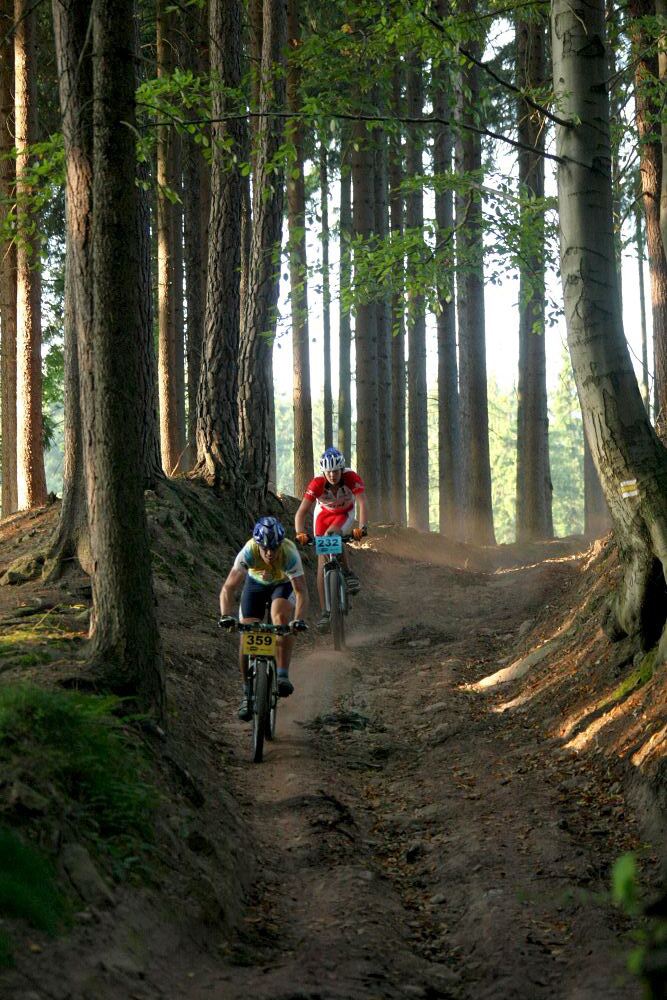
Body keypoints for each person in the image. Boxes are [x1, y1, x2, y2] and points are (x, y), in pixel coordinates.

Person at [219, 516, 309, 721]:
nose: (270, 553)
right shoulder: (249, 551)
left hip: (282, 585)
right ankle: (247, 693)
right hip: (256, 585)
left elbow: (301, 592)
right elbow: (228, 588)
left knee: (281, 617)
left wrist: (298, 620)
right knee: (246, 634)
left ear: (280, 544)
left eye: (274, 548)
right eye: (265, 548)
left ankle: (282, 674)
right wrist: (225, 616)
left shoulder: (289, 553)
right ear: (257, 544)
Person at [294, 446, 368, 633]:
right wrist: (300, 532)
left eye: (335, 471)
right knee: (322, 562)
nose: (332, 475)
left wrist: (362, 527)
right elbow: (301, 512)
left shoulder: (351, 477)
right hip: (323, 515)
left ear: (342, 470)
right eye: (328, 472)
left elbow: (362, 502)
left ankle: (348, 573)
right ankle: (326, 612)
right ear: (323, 472)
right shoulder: (316, 484)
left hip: (345, 513)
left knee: (333, 535)